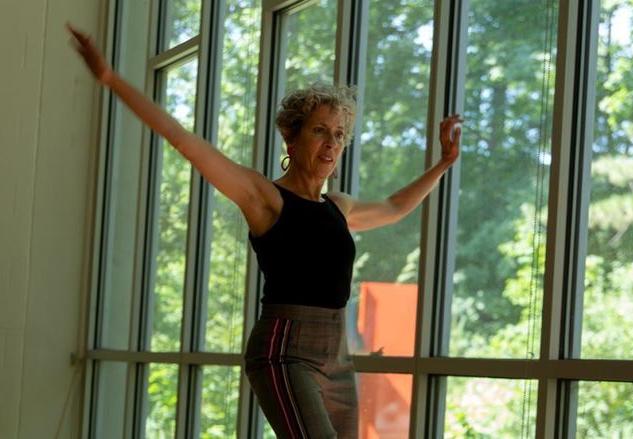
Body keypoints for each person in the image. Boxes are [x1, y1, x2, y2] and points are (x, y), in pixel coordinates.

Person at [68, 23, 461, 438]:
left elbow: (395, 206)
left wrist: (443, 164)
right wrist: (111, 79)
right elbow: (182, 139)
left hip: (336, 355)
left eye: (340, 135)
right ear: (291, 139)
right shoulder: (264, 197)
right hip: (283, 350)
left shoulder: (337, 207)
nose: (331, 143)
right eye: (319, 131)